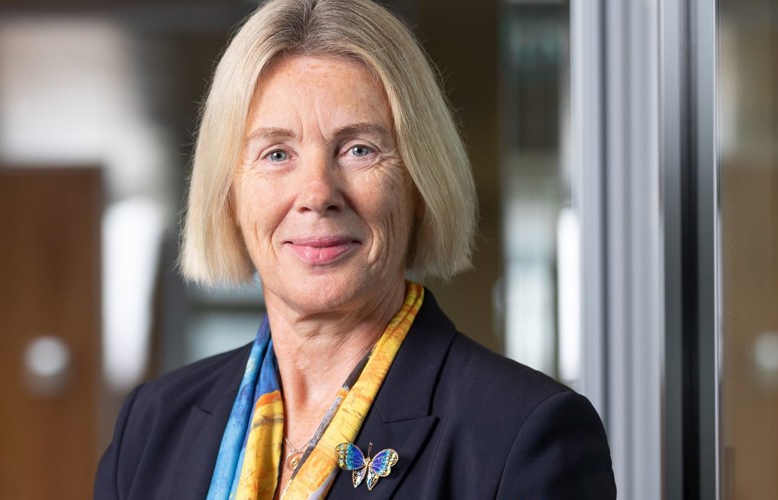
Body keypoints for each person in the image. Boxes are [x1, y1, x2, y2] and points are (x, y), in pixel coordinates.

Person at [94, 0, 616, 498]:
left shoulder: (523, 435)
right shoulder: (153, 425)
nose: (318, 193)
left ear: (418, 182)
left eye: (359, 149)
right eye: (277, 153)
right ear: (229, 195)